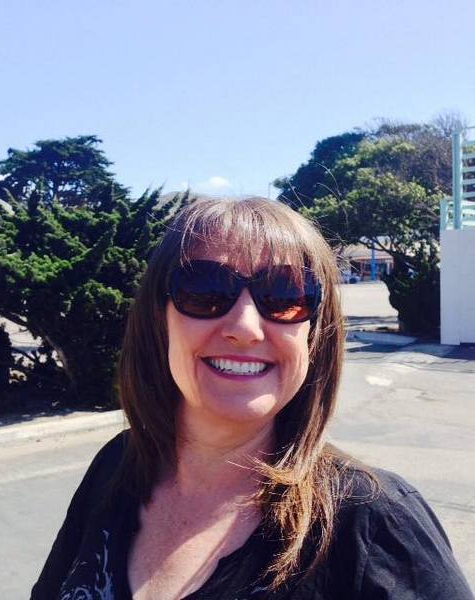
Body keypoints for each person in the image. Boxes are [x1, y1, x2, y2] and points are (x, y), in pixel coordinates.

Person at [31, 197, 473, 599]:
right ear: (158, 320)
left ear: (314, 337)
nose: (244, 327)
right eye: (205, 290)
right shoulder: (117, 466)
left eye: (284, 296)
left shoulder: (376, 523)